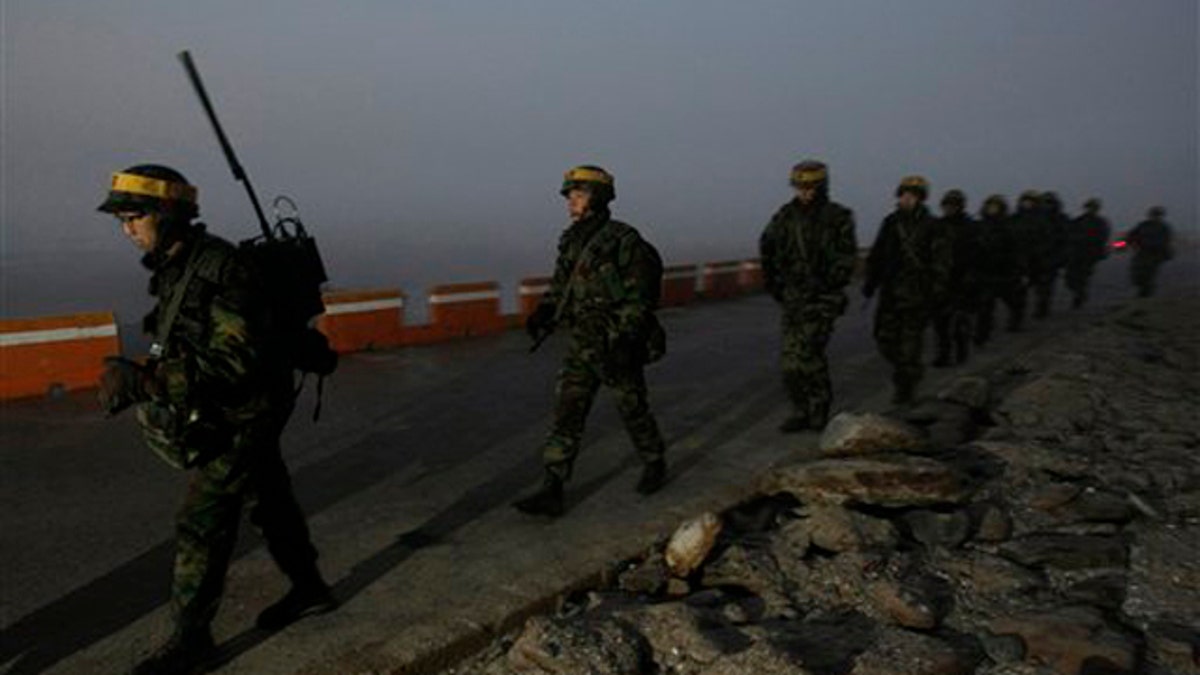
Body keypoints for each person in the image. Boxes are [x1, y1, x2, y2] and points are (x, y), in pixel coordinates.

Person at [96, 164, 335, 675]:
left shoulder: (222, 270)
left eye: (134, 217)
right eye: (121, 221)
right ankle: (310, 588)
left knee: (202, 523)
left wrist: (145, 382)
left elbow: (235, 362)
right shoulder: (178, 266)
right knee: (271, 499)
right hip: (242, 408)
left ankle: (192, 639)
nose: (127, 230)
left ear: (167, 214)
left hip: (245, 411)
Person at [515, 165, 667, 517]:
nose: (571, 201)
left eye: (578, 194)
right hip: (583, 341)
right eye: (570, 194)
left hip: (616, 341)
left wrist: (626, 340)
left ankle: (654, 460)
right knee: (568, 411)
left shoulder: (624, 240)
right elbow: (561, 286)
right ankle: (552, 488)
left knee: (632, 407)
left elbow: (640, 297)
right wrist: (544, 312)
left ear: (597, 198)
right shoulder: (570, 240)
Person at [759, 160, 858, 432]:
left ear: (821, 187)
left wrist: (826, 281)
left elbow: (846, 258)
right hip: (793, 299)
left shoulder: (838, 217)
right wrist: (774, 283)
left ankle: (819, 406)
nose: (803, 192)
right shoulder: (785, 216)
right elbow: (767, 245)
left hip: (823, 299)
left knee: (810, 354)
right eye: (800, 187)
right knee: (790, 364)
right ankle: (800, 409)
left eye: (809, 187)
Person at [862, 175, 950, 404]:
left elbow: (941, 260)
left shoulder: (932, 226)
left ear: (921, 199)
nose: (907, 198)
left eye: (913, 195)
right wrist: (870, 283)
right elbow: (878, 255)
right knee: (884, 339)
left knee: (910, 345)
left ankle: (905, 385)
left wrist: (937, 289)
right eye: (904, 194)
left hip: (917, 295)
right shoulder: (890, 222)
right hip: (890, 293)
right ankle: (909, 370)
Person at [931, 189, 979, 366]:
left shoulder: (970, 227)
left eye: (953, 205)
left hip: (962, 280)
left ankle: (961, 349)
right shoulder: (937, 226)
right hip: (940, 280)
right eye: (947, 205)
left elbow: (976, 254)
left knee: (959, 321)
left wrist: (971, 276)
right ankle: (943, 355)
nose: (949, 209)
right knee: (940, 323)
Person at [973, 195, 1024, 344]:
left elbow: (1017, 251)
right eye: (990, 206)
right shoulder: (979, 226)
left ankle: (1015, 321)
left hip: (1004, 273)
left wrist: (1019, 270)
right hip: (985, 273)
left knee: (1013, 301)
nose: (992, 209)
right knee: (984, 306)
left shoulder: (1009, 227)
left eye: (995, 207)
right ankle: (981, 334)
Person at [1027, 191, 1068, 319]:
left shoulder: (1060, 219)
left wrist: (1061, 258)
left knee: (1045, 286)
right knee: (1035, 284)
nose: (1046, 205)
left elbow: (1065, 239)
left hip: (1051, 258)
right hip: (1035, 257)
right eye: (1044, 202)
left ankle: (1042, 307)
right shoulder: (1034, 217)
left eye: (1049, 203)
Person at [1064, 198, 1111, 308]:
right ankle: (1079, 293)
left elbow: (1102, 237)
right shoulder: (1078, 220)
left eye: (1093, 208)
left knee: (1083, 277)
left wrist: (1087, 239)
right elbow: (1069, 233)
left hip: (1090, 254)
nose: (1090, 210)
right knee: (1070, 278)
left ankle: (1079, 297)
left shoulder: (1100, 222)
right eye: (1089, 207)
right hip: (1075, 253)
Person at [1126, 206, 1174, 297]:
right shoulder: (1144, 226)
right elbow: (1131, 237)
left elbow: (1165, 242)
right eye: (1154, 215)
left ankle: (1145, 295)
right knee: (1138, 274)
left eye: (1157, 215)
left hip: (1154, 256)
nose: (1155, 217)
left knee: (1149, 276)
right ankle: (1143, 293)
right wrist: (1122, 244)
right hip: (1143, 254)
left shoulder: (1163, 228)